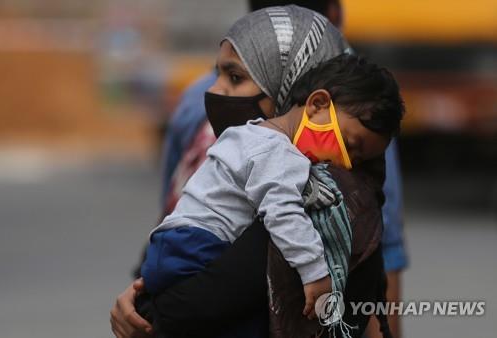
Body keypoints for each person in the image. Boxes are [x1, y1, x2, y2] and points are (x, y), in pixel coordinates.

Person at [110, 5, 391, 338]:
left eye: (235, 77)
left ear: (293, 86)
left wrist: (146, 311)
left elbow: (187, 308)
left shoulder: (323, 198)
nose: (215, 91)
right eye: (217, 73)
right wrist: (137, 295)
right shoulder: (214, 144)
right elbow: (177, 224)